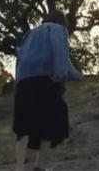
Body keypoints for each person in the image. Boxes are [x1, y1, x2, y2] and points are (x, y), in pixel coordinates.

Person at [13, 11, 82, 171]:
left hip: (23, 84)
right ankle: (40, 166)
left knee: (23, 129)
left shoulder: (28, 35)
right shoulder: (58, 29)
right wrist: (60, 76)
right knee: (51, 124)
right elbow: (61, 59)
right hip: (45, 81)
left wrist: (77, 74)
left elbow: (20, 58)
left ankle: (19, 168)